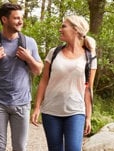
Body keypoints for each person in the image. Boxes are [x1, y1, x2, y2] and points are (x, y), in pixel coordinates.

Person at [0, 2, 43, 151]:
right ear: (4, 20)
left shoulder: (29, 42)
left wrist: (29, 58)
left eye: (21, 18)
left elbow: (38, 70)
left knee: (19, 147)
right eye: (16, 18)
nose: (21, 21)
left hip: (22, 103)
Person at [31, 15, 97, 151]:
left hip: (76, 111)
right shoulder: (54, 53)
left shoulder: (90, 57)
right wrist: (37, 107)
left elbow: (88, 89)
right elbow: (44, 81)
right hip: (51, 111)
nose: (60, 29)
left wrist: (88, 117)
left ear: (76, 30)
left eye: (63, 26)